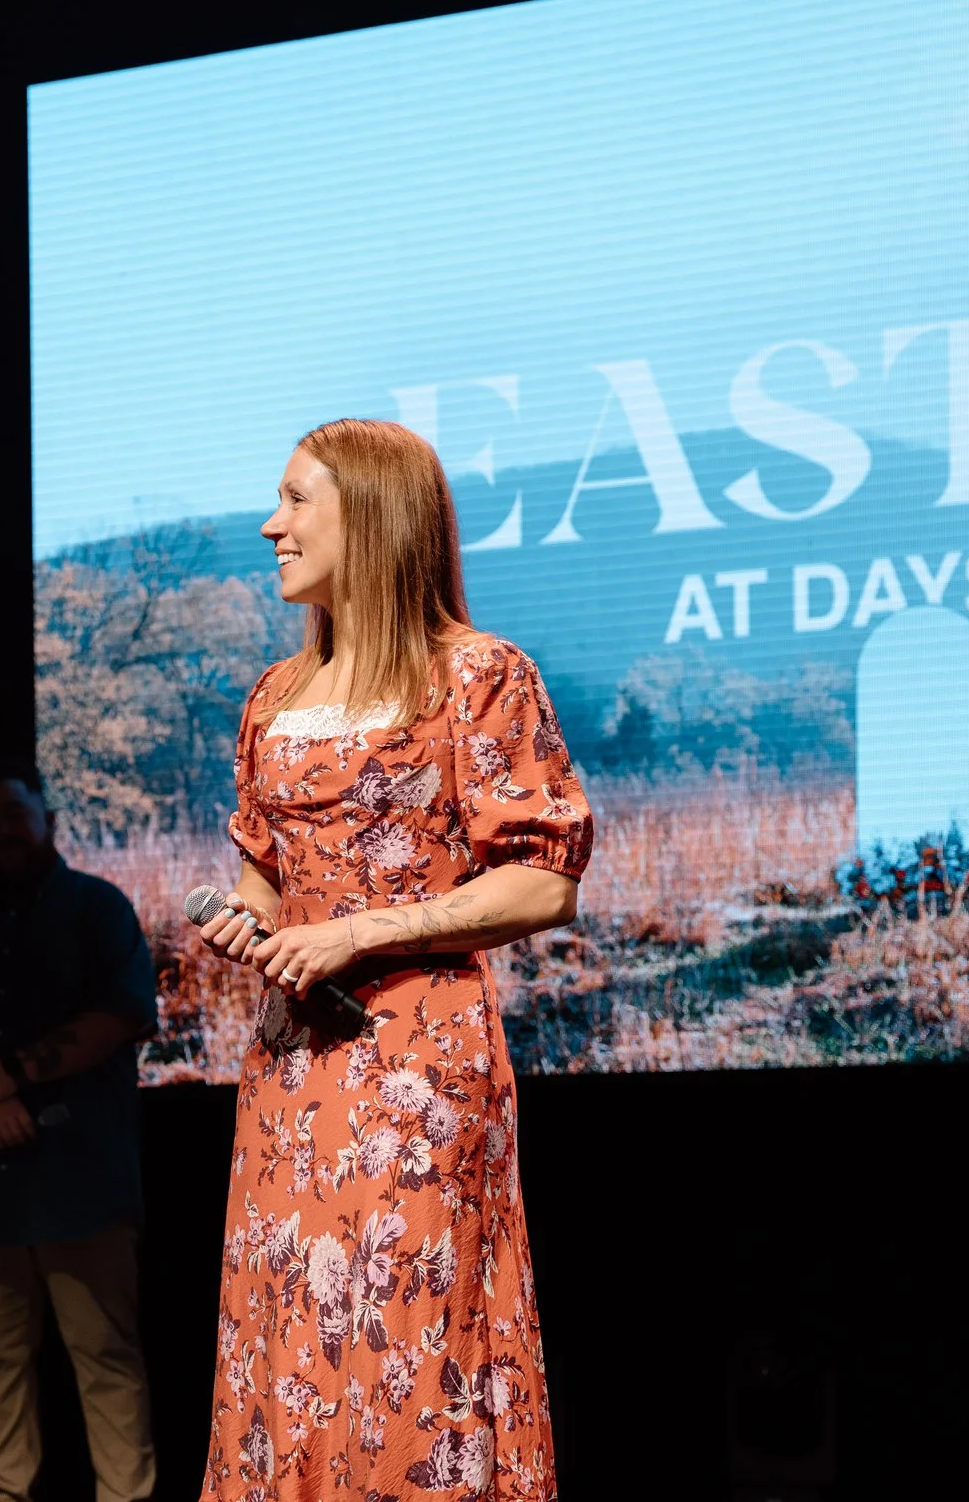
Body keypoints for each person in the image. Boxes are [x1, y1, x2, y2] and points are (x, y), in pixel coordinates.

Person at [192, 420, 592, 1502]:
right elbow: (266, 872)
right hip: (291, 1069)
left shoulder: (478, 676)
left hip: (415, 1059)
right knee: (292, 1328)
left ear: (370, 514)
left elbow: (542, 879)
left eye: (295, 499)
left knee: (402, 1327)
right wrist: (250, 919)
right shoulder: (274, 696)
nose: (271, 524)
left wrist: (360, 930)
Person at [0, 771, 160, 1502]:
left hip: (80, 1177)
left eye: (14, 814)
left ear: (49, 820)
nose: (0, 829)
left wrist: (9, 1075)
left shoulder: (97, 906)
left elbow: (122, 1014)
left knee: (106, 1357)